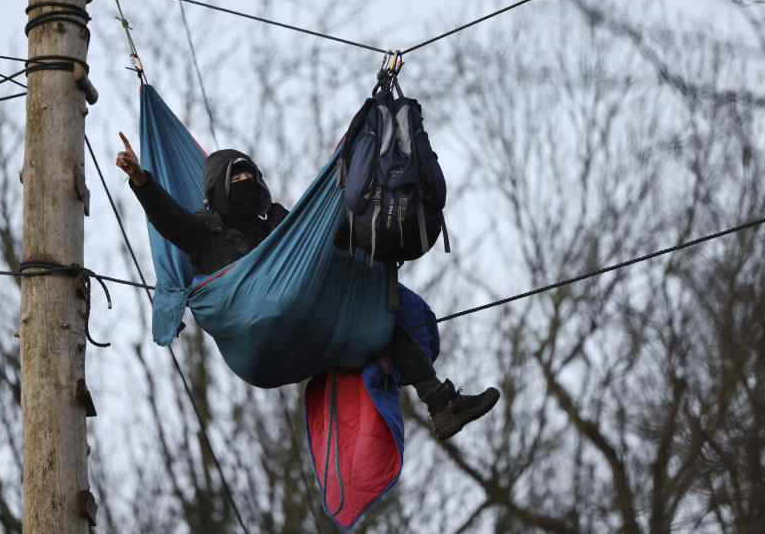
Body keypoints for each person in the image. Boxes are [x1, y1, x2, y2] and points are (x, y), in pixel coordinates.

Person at [117, 131, 499, 439]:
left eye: (250, 175)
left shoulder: (279, 221)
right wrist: (141, 179)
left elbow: (316, 240)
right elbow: (167, 219)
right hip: (254, 332)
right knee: (360, 303)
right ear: (218, 189)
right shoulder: (201, 230)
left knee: (376, 305)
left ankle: (439, 403)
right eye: (236, 178)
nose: (246, 181)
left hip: (300, 321)